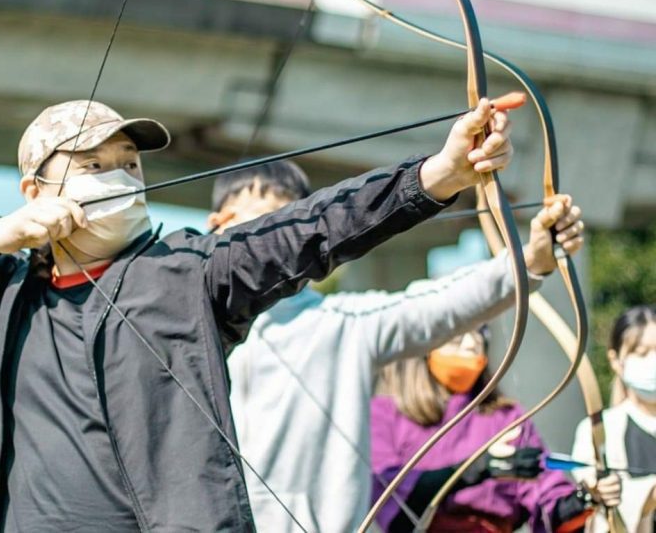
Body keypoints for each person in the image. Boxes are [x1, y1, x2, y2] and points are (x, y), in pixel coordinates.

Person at [0, 97, 513, 532]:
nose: (120, 178)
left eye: (129, 164)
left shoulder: (188, 272)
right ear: (36, 190)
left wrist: (434, 176)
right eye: (93, 165)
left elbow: (308, 231)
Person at [216, 160, 587, 532]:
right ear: (218, 226)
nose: (271, 247)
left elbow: (438, 303)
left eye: (286, 231)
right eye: (259, 227)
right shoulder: (189, 328)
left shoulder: (343, 324)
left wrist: (529, 261)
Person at [371, 330, 622, 532]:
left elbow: (544, 495)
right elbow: (388, 498)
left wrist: (584, 498)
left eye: (479, 335)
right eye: (457, 335)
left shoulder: (505, 417)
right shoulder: (384, 414)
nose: (471, 344)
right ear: (422, 345)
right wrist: (474, 470)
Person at [571, 305, 656, 532]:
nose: (652, 361)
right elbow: (592, 491)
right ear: (616, 360)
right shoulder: (601, 429)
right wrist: (598, 489)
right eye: (641, 352)